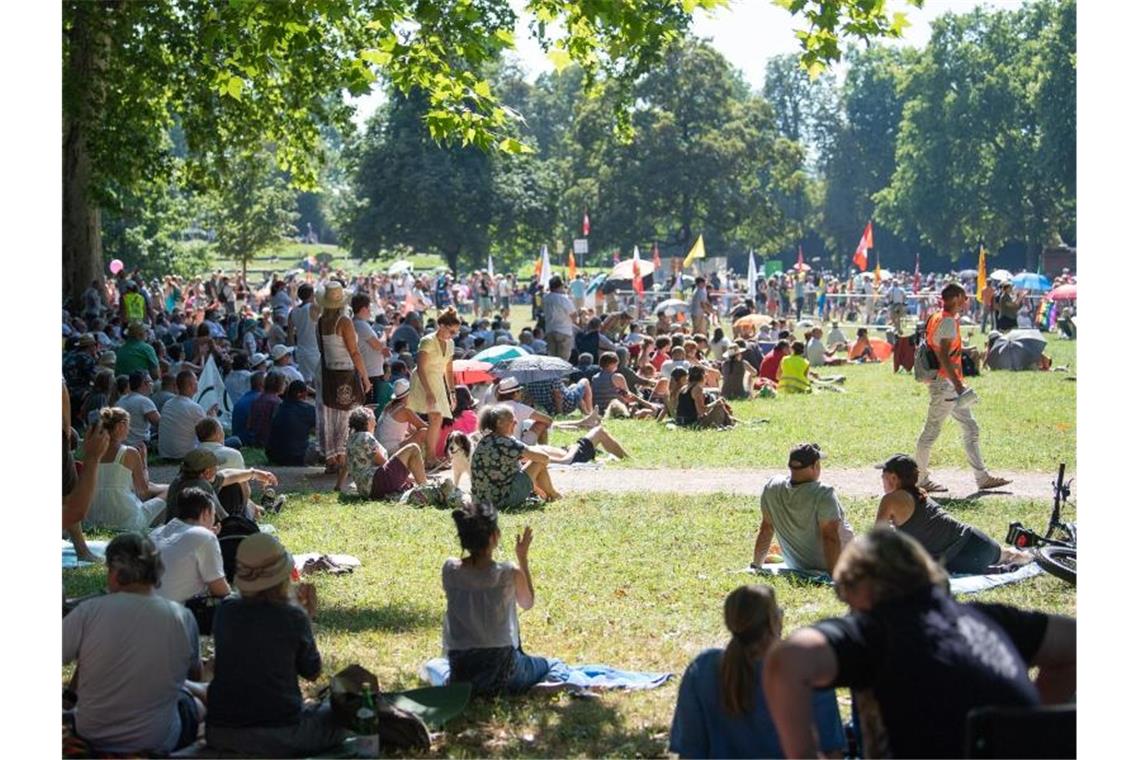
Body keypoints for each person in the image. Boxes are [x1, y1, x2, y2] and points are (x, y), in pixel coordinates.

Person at [762, 528, 1076, 758]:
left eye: (845, 597)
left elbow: (787, 660)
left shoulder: (879, 631)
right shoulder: (990, 619)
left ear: (859, 587)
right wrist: (1028, 729)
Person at [63, 533, 206, 755]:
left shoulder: (88, 612)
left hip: (92, 734)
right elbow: (193, 674)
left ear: (114, 572)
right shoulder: (182, 617)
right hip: (158, 739)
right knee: (194, 705)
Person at [206, 533, 346, 756]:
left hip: (218, 731)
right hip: (278, 732)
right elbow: (311, 671)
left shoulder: (226, 610)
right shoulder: (292, 616)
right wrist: (306, 618)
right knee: (344, 718)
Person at [669, 585, 844, 759]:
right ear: (774, 621)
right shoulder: (805, 671)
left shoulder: (702, 669)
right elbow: (831, 752)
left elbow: (690, 752)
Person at [443, 504, 568, 695]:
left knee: (435, 666)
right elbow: (527, 603)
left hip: (462, 669)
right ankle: (543, 686)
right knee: (554, 665)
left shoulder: (450, 569)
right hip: (503, 668)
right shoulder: (509, 572)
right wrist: (522, 558)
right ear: (494, 536)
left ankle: (460, 688)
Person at [915, 282, 1011, 492]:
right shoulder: (948, 321)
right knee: (931, 432)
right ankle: (920, 479)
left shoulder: (936, 317)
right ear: (956, 297)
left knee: (970, 428)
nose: (967, 301)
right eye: (965, 297)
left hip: (945, 383)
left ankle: (982, 477)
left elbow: (939, 349)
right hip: (946, 385)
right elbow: (943, 356)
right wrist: (959, 386)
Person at [873, 454, 1030, 573]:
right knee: (1011, 555)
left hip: (962, 558)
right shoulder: (920, 493)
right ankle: (1033, 557)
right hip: (980, 543)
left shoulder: (891, 499)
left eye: (883, 477)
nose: (882, 482)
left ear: (893, 478)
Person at [752, 443, 853, 575]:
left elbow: (766, 529)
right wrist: (833, 576)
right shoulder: (823, 493)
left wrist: (756, 565)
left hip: (797, 564)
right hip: (839, 562)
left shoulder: (772, 487)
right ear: (815, 465)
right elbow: (830, 537)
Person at [86, 407, 168, 531]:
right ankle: (157, 528)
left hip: (95, 519)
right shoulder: (129, 452)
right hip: (127, 521)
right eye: (128, 426)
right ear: (120, 426)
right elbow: (143, 490)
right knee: (170, 490)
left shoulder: (92, 452)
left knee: (155, 488)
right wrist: (144, 462)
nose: (129, 430)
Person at [148, 487, 231, 603]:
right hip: (178, 613)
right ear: (206, 514)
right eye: (213, 515)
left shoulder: (155, 533)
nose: (213, 521)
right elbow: (220, 589)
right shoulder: (204, 536)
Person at [471, 404, 562, 507]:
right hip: (501, 500)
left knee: (533, 463)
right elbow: (544, 458)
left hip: (481, 500)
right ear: (499, 423)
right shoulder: (507, 443)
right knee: (538, 462)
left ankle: (545, 493)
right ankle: (553, 495)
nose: (516, 422)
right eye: (511, 419)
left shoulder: (485, 441)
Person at [407, 306, 460, 468]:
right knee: (435, 417)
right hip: (423, 381)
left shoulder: (450, 343)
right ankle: (429, 457)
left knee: (437, 419)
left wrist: (452, 392)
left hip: (437, 381)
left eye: (456, 332)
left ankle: (429, 456)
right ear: (442, 326)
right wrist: (429, 392)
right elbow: (421, 367)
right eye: (452, 331)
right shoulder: (428, 341)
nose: (453, 335)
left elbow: (449, 370)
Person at [346, 406, 427, 499]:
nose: (375, 423)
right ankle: (426, 489)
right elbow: (382, 461)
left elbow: (346, 466)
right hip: (376, 483)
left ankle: (423, 487)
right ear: (367, 421)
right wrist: (406, 478)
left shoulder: (351, 439)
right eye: (373, 419)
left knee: (407, 460)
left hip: (366, 489)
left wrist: (338, 486)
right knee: (413, 448)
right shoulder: (366, 436)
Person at [158, 369, 215, 461]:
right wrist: (212, 418)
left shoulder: (167, 404)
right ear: (191, 386)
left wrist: (207, 417)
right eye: (196, 381)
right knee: (234, 441)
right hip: (186, 455)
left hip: (165, 454)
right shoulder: (194, 407)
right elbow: (209, 435)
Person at [266, 379, 320, 466]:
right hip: (297, 457)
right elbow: (321, 429)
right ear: (301, 394)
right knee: (321, 444)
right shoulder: (307, 409)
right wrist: (315, 394)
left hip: (273, 456)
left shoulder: (278, 407)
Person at [374, 377, 428, 454]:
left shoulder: (390, 406)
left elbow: (411, 430)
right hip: (389, 450)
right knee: (424, 432)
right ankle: (430, 459)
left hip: (381, 447)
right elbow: (423, 427)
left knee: (412, 433)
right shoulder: (404, 409)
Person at [351, 292, 388, 404]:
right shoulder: (360, 325)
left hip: (370, 372)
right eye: (369, 308)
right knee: (369, 408)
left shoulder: (360, 324)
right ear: (363, 309)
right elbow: (377, 345)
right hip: (370, 374)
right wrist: (385, 334)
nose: (370, 311)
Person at [119, 370, 161, 456]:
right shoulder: (144, 401)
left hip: (122, 444)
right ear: (144, 383)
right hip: (139, 445)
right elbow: (161, 423)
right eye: (150, 381)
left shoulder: (121, 400)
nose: (152, 384)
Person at [287, 282, 321, 383]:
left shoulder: (293, 312)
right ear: (311, 294)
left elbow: (290, 334)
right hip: (314, 350)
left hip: (301, 350)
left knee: (305, 381)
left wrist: (294, 348)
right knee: (318, 380)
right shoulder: (312, 308)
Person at [248, 371, 286, 448]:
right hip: (268, 442)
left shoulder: (257, 400)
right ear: (279, 385)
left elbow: (249, 425)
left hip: (254, 440)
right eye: (284, 383)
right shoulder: (277, 402)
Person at [543, 275, 576, 361]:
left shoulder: (546, 298)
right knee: (563, 360)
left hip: (550, 329)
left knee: (552, 359)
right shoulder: (563, 299)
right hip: (563, 330)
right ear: (560, 286)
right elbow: (573, 314)